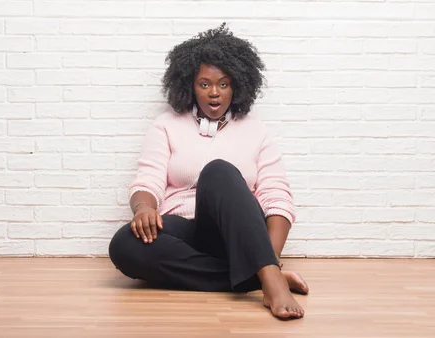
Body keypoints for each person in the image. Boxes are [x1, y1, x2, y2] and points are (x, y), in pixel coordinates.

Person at [108, 23, 309, 320]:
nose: (214, 93)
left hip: (235, 236)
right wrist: (143, 208)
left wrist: (272, 257)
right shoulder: (167, 124)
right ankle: (259, 278)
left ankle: (269, 273)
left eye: (223, 84)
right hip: (184, 232)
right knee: (123, 244)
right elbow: (147, 179)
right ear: (190, 85)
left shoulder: (256, 131)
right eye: (204, 84)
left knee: (217, 171)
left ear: (237, 85)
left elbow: (276, 196)